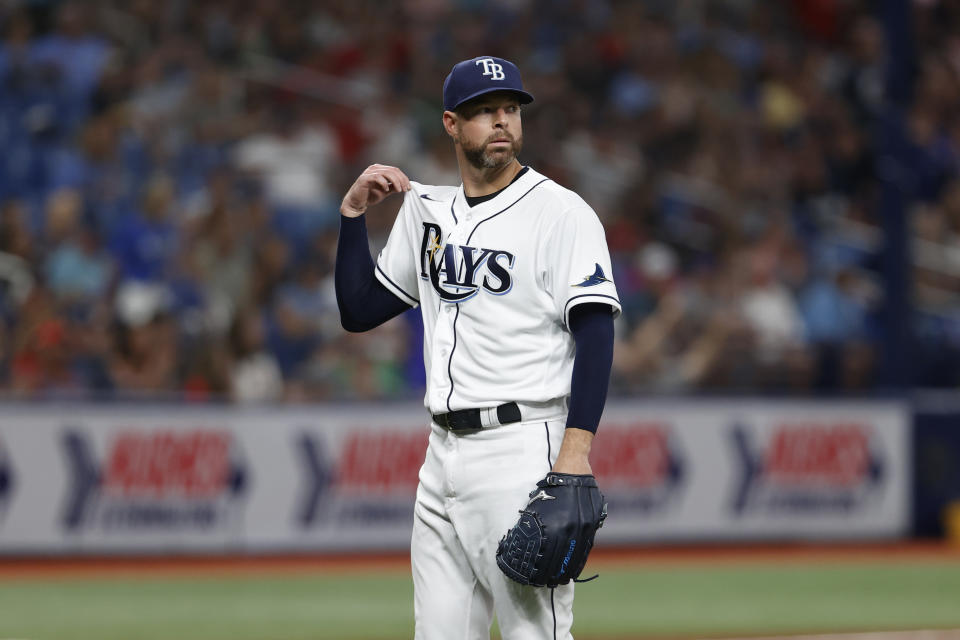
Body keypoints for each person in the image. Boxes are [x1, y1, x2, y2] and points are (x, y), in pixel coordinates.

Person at [335, 56, 620, 640]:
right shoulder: (426, 211)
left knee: (531, 633)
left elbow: (595, 333)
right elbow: (360, 310)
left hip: (522, 448)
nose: (500, 122)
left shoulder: (561, 213)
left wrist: (576, 453)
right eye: (484, 111)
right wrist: (352, 218)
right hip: (441, 454)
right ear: (450, 124)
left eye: (510, 109)